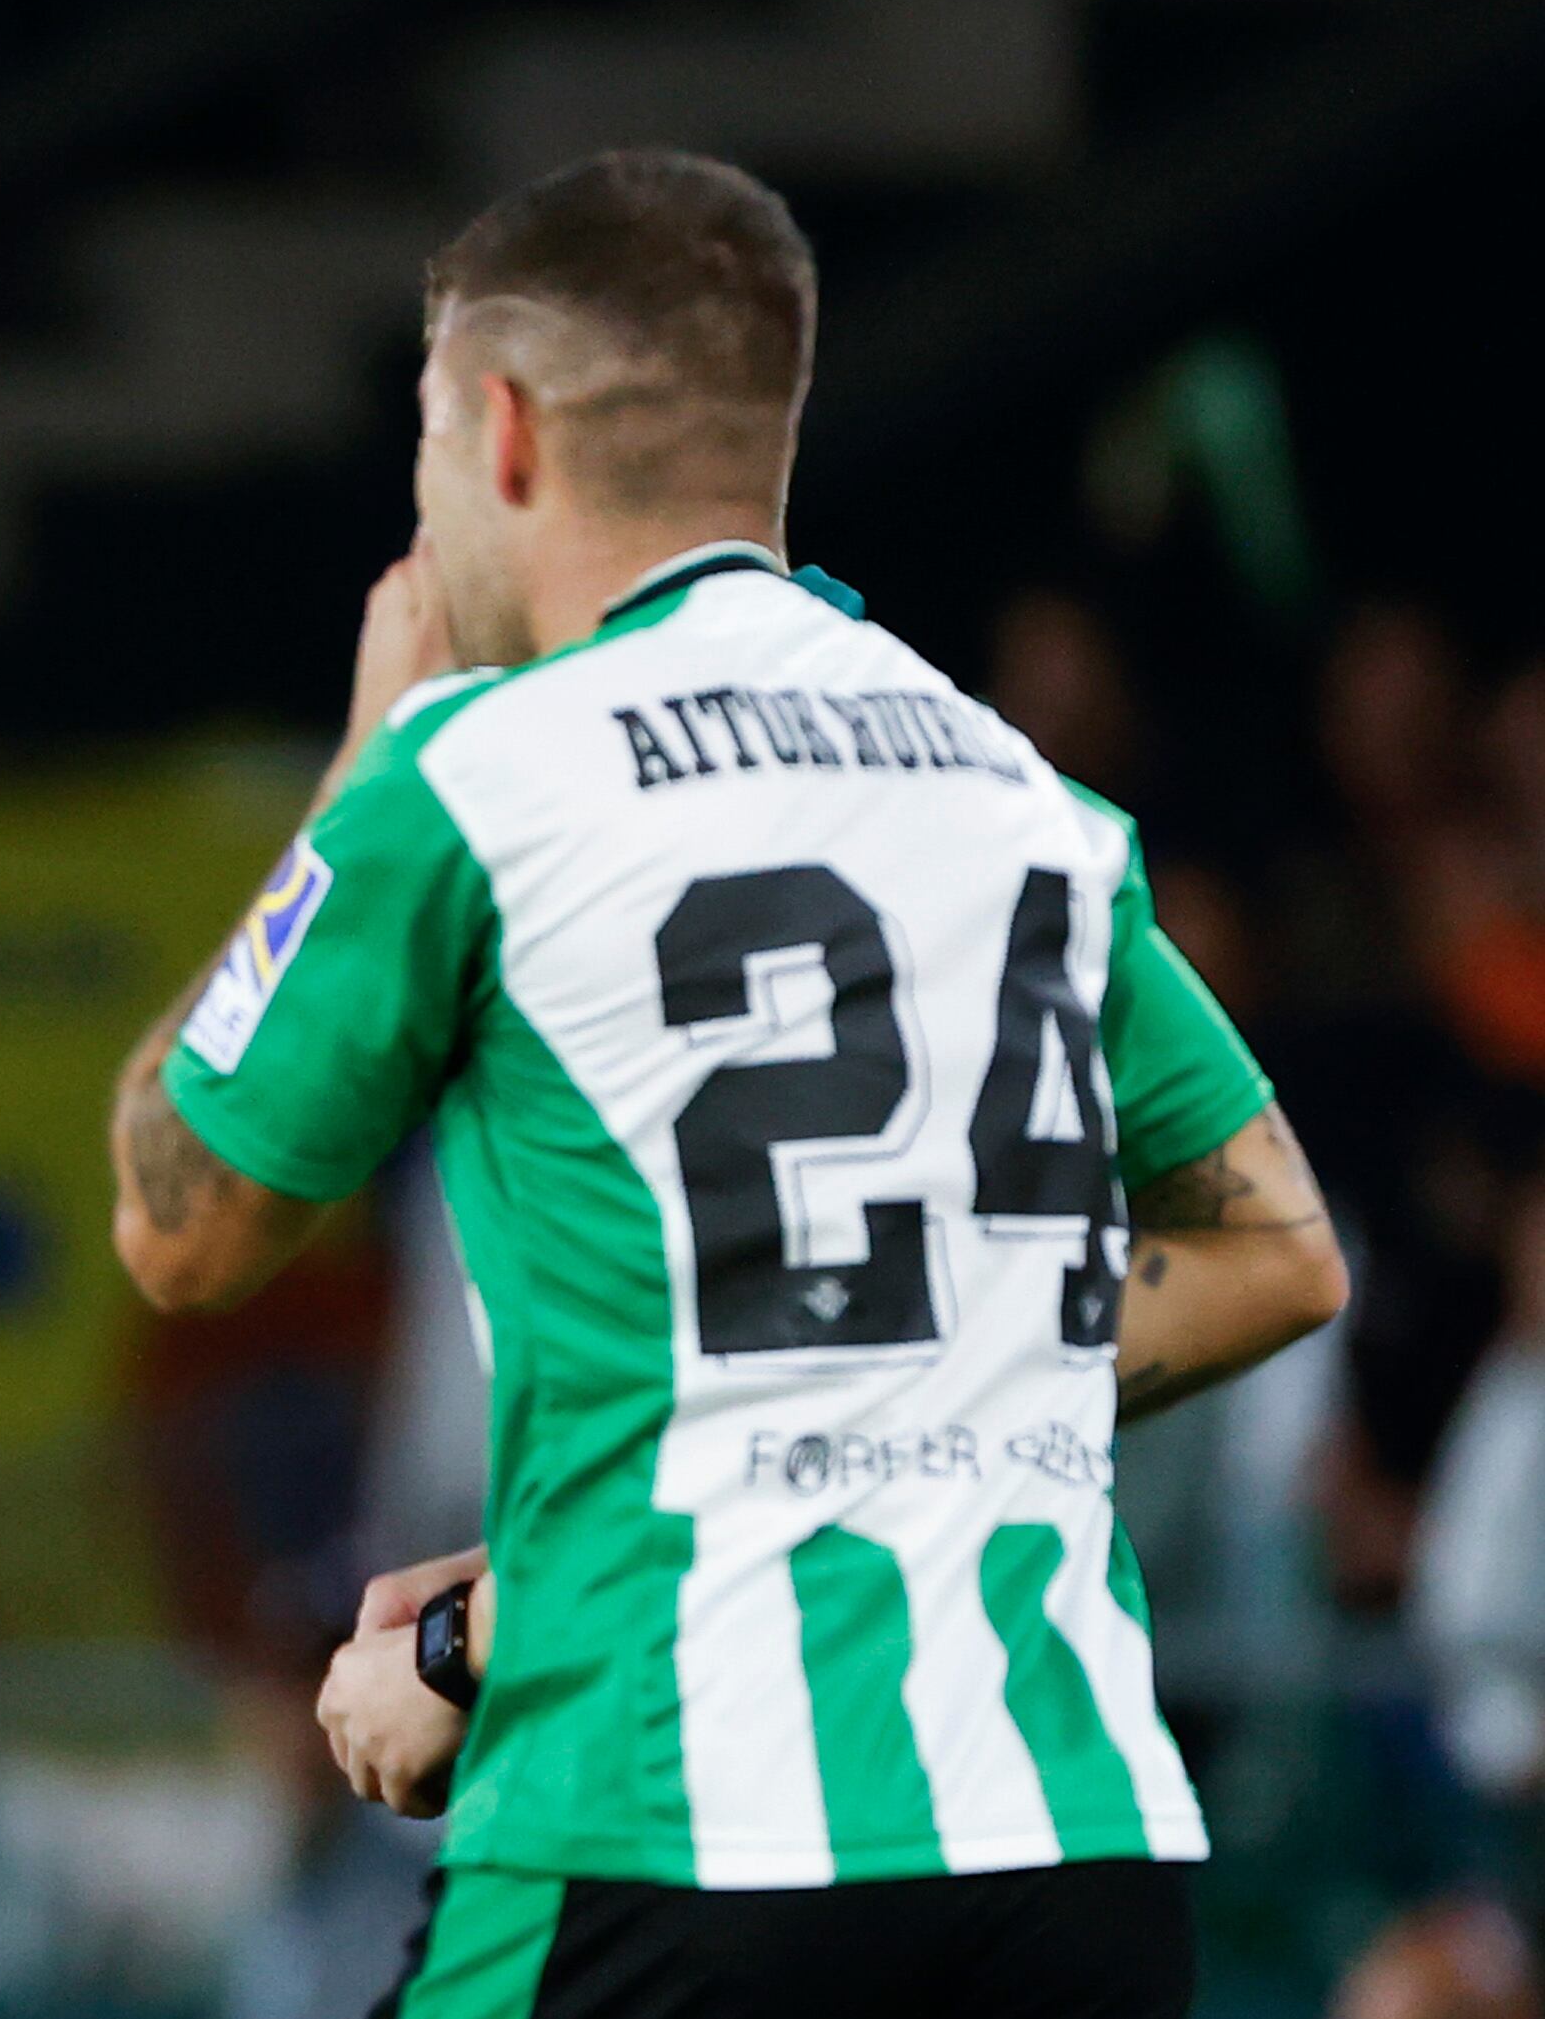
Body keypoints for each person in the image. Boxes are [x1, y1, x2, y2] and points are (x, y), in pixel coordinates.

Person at [107, 150, 1350, 2019]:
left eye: (430, 442)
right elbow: (1277, 1251)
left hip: (671, 1823)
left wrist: (357, 762)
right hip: (1070, 1839)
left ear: (502, 433)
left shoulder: (473, 777)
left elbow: (182, 1221)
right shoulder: (1019, 792)